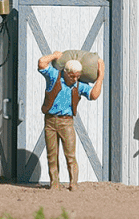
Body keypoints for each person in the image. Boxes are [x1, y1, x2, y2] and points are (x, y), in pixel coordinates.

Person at [37, 50, 104, 190]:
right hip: (50, 121)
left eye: (78, 76)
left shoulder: (78, 85)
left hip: (66, 122)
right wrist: (54, 56)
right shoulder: (54, 76)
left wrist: (101, 76)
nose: (75, 79)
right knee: (52, 155)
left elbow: (94, 95)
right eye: (72, 76)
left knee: (70, 155)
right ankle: (54, 184)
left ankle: (73, 183)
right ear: (66, 72)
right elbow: (42, 63)